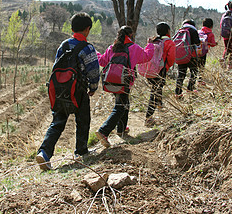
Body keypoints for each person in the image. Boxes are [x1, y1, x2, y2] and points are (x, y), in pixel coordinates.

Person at [36, 13, 100, 171]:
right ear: (87, 29)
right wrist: (92, 88)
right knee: (83, 121)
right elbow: (93, 71)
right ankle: (81, 152)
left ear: (72, 29)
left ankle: (44, 153)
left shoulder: (63, 45)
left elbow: (56, 66)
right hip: (79, 91)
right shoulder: (88, 47)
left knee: (57, 123)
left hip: (60, 90)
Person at [96, 26, 154, 147]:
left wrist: (95, 52)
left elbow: (102, 61)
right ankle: (103, 131)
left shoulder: (112, 47)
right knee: (120, 107)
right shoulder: (134, 48)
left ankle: (121, 129)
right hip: (125, 81)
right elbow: (147, 56)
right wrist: (150, 45)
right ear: (131, 35)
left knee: (124, 104)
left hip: (111, 80)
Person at [144, 22, 176, 127]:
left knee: (156, 89)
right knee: (155, 93)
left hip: (149, 71)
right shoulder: (169, 43)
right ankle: (148, 117)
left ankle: (159, 105)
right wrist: (166, 68)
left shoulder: (154, 41)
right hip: (160, 72)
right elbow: (171, 59)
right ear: (168, 31)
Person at [175, 19, 201, 96]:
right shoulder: (193, 30)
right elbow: (197, 43)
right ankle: (190, 89)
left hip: (181, 56)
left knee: (181, 74)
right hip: (191, 56)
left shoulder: (179, 31)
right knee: (194, 72)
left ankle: (178, 93)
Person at [197, 18, 217, 85]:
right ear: (211, 26)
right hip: (203, 53)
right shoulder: (210, 33)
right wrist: (216, 43)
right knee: (201, 67)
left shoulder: (198, 32)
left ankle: (194, 80)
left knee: (195, 66)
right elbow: (213, 44)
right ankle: (200, 80)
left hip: (196, 52)